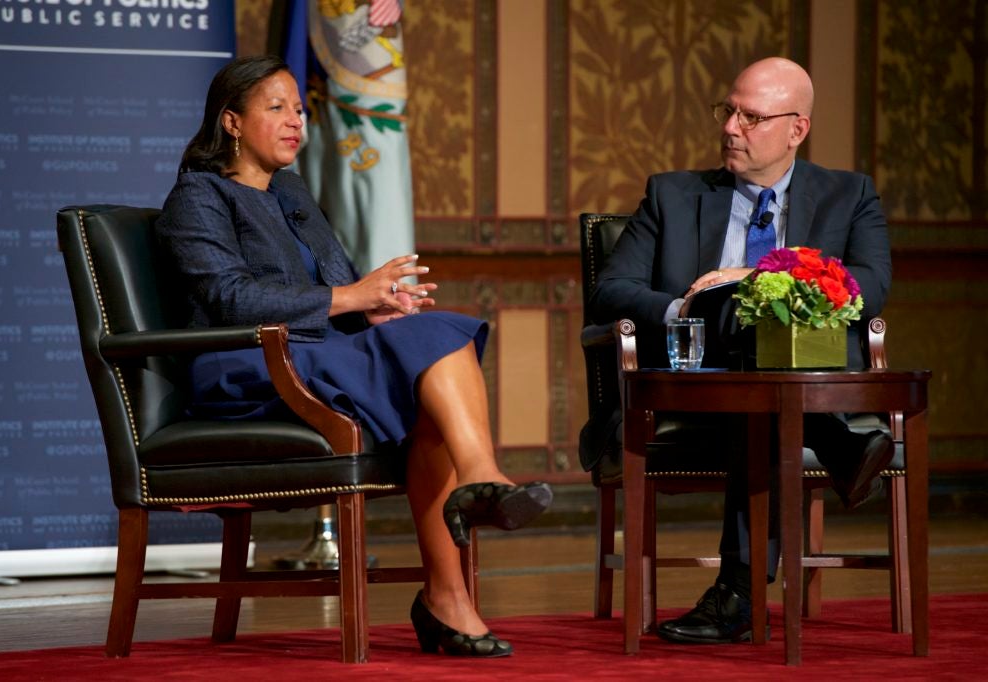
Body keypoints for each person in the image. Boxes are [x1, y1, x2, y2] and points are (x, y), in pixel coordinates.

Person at [154, 55, 553, 658]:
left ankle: (450, 595)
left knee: (430, 358)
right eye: (277, 108)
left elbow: (339, 287)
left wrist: (377, 305)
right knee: (435, 345)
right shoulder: (198, 196)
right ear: (231, 122)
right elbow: (228, 297)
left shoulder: (291, 192)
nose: (296, 122)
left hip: (318, 355)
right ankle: (478, 489)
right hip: (246, 364)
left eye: (299, 109)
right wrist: (351, 296)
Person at [589, 57, 894, 645]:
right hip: (697, 381)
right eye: (727, 111)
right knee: (744, 343)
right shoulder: (672, 195)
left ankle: (738, 593)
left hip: (798, 383)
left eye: (751, 117)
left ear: (795, 129)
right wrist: (688, 309)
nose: (730, 127)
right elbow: (611, 290)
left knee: (764, 380)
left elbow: (867, 286)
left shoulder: (848, 195)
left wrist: (762, 278)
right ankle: (842, 442)